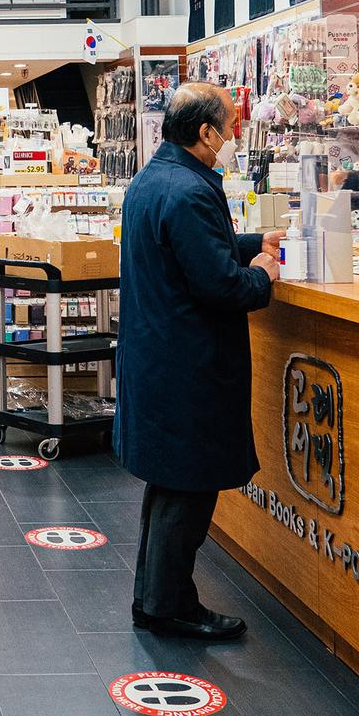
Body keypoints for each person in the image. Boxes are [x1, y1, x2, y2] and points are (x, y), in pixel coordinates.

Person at [114, 84, 280, 641]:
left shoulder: (152, 180)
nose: (235, 135)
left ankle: (156, 597)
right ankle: (170, 606)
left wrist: (254, 239)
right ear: (205, 133)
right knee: (188, 488)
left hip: (160, 355)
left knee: (169, 486)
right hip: (189, 362)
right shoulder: (188, 191)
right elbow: (219, 286)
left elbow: (189, 248)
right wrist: (262, 276)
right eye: (230, 126)